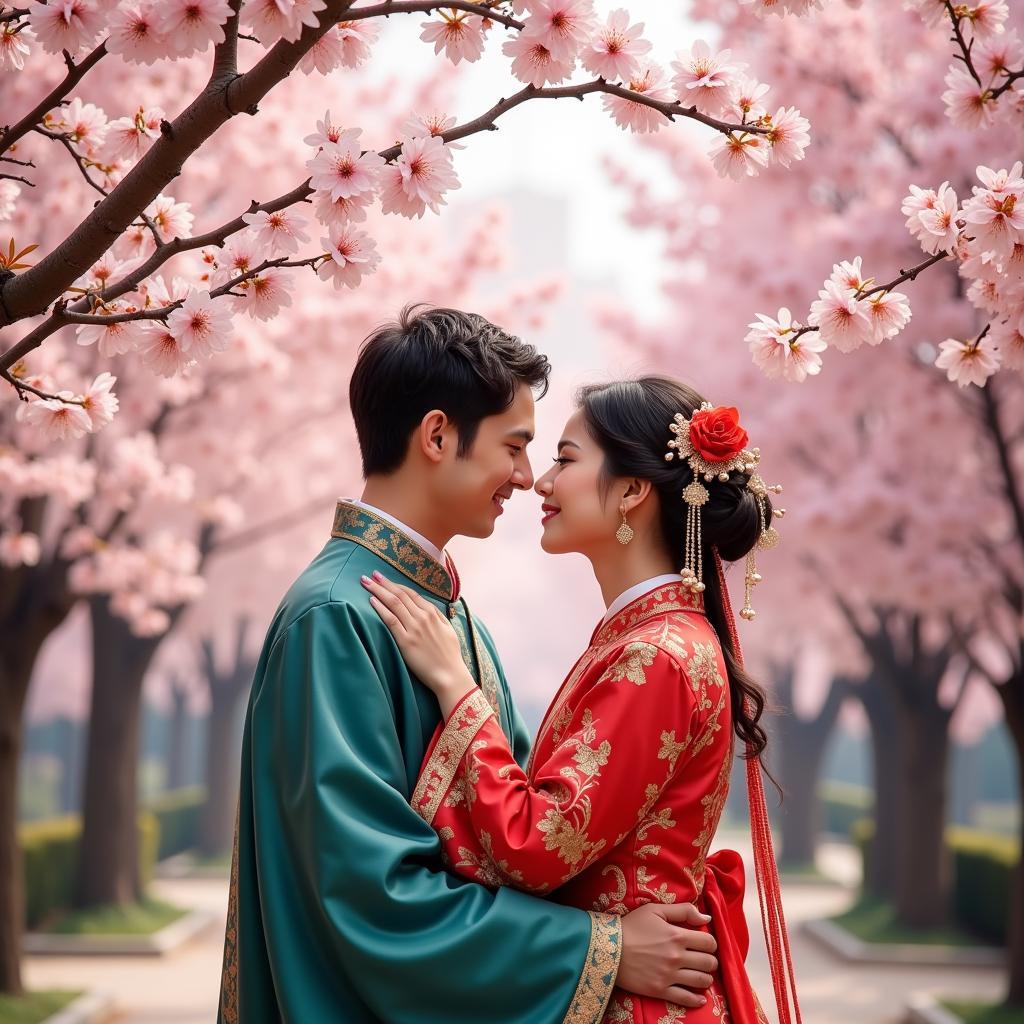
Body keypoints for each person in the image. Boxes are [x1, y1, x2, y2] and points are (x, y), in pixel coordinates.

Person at [217, 309, 724, 1024]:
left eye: (549, 456)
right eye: (516, 447)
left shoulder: (447, 616)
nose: (527, 477)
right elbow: (371, 894)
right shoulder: (335, 617)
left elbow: (520, 837)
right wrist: (601, 948)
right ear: (436, 436)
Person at [363, 376, 803, 1024]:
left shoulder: (657, 656)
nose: (539, 481)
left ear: (630, 491)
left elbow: (537, 843)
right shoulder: (648, 641)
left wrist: (457, 687)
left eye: (566, 459)